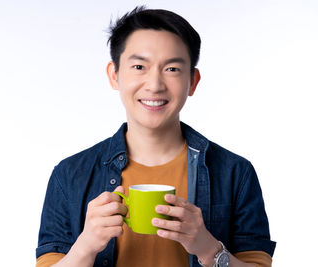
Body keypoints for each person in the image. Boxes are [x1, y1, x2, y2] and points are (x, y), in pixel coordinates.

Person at [36, 6, 276, 267]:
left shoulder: (235, 173)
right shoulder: (70, 174)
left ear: (192, 81)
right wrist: (85, 247)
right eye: (139, 66)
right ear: (114, 75)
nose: (155, 85)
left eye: (172, 69)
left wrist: (209, 248)